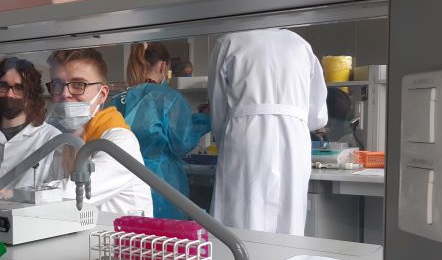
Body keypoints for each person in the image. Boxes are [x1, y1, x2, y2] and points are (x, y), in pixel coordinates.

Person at [208, 29, 328, 236]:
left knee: (242, 213)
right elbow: (317, 115)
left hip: (245, 133)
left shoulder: (229, 42)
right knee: (289, 214)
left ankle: (242, 257)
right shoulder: (300, 44)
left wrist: (223, 139)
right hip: (294, 137)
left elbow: (217, 106)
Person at [109, 42, 210, 219]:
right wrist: (204, 119)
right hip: (162, 183)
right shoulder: (168, 98)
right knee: (165, 232)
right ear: (164, 66)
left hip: (123, 181)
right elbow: (182, 142)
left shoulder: (118, 99)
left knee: (132, 231)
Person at [47, 48, 153, 216]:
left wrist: (16, 195)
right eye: (57, 85)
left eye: (78, 84)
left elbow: (71, 194)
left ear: (102, 94)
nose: (65, 94)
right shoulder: (65, 142)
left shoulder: (120, 142)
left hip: (120, 232)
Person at [0, 58, 63, 198]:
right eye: (3, 86)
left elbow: (60, 197)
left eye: (19, 88)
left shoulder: (53, 140)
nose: (9, 94)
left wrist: (12, 194)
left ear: (31, 95)